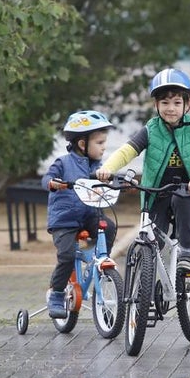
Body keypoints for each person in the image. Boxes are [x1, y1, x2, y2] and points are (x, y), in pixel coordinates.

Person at [95, 67, 190, 269]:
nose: (171, 108)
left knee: (182, 199)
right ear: (156, 104)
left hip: (188, 190)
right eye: (165, 103)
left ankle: (187, 254)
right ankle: (149, 284)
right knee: (153, 241)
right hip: (156, 193)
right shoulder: (151, 129)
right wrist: (107, 168)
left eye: (177, 103)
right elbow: (127, 151)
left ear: (188, 104)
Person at [42, 110, 118, 318]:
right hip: (64, 219)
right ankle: (56, 293)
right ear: (82, 144)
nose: (104, 147)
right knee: (66, 256)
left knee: (109, 226)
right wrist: (53, 183)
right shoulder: (63, 163)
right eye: (100, 143)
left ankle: (99, 258)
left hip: (88, 215)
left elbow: (108, 180)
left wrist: (118, 182)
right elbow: (48, 177)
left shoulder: (98, 167)